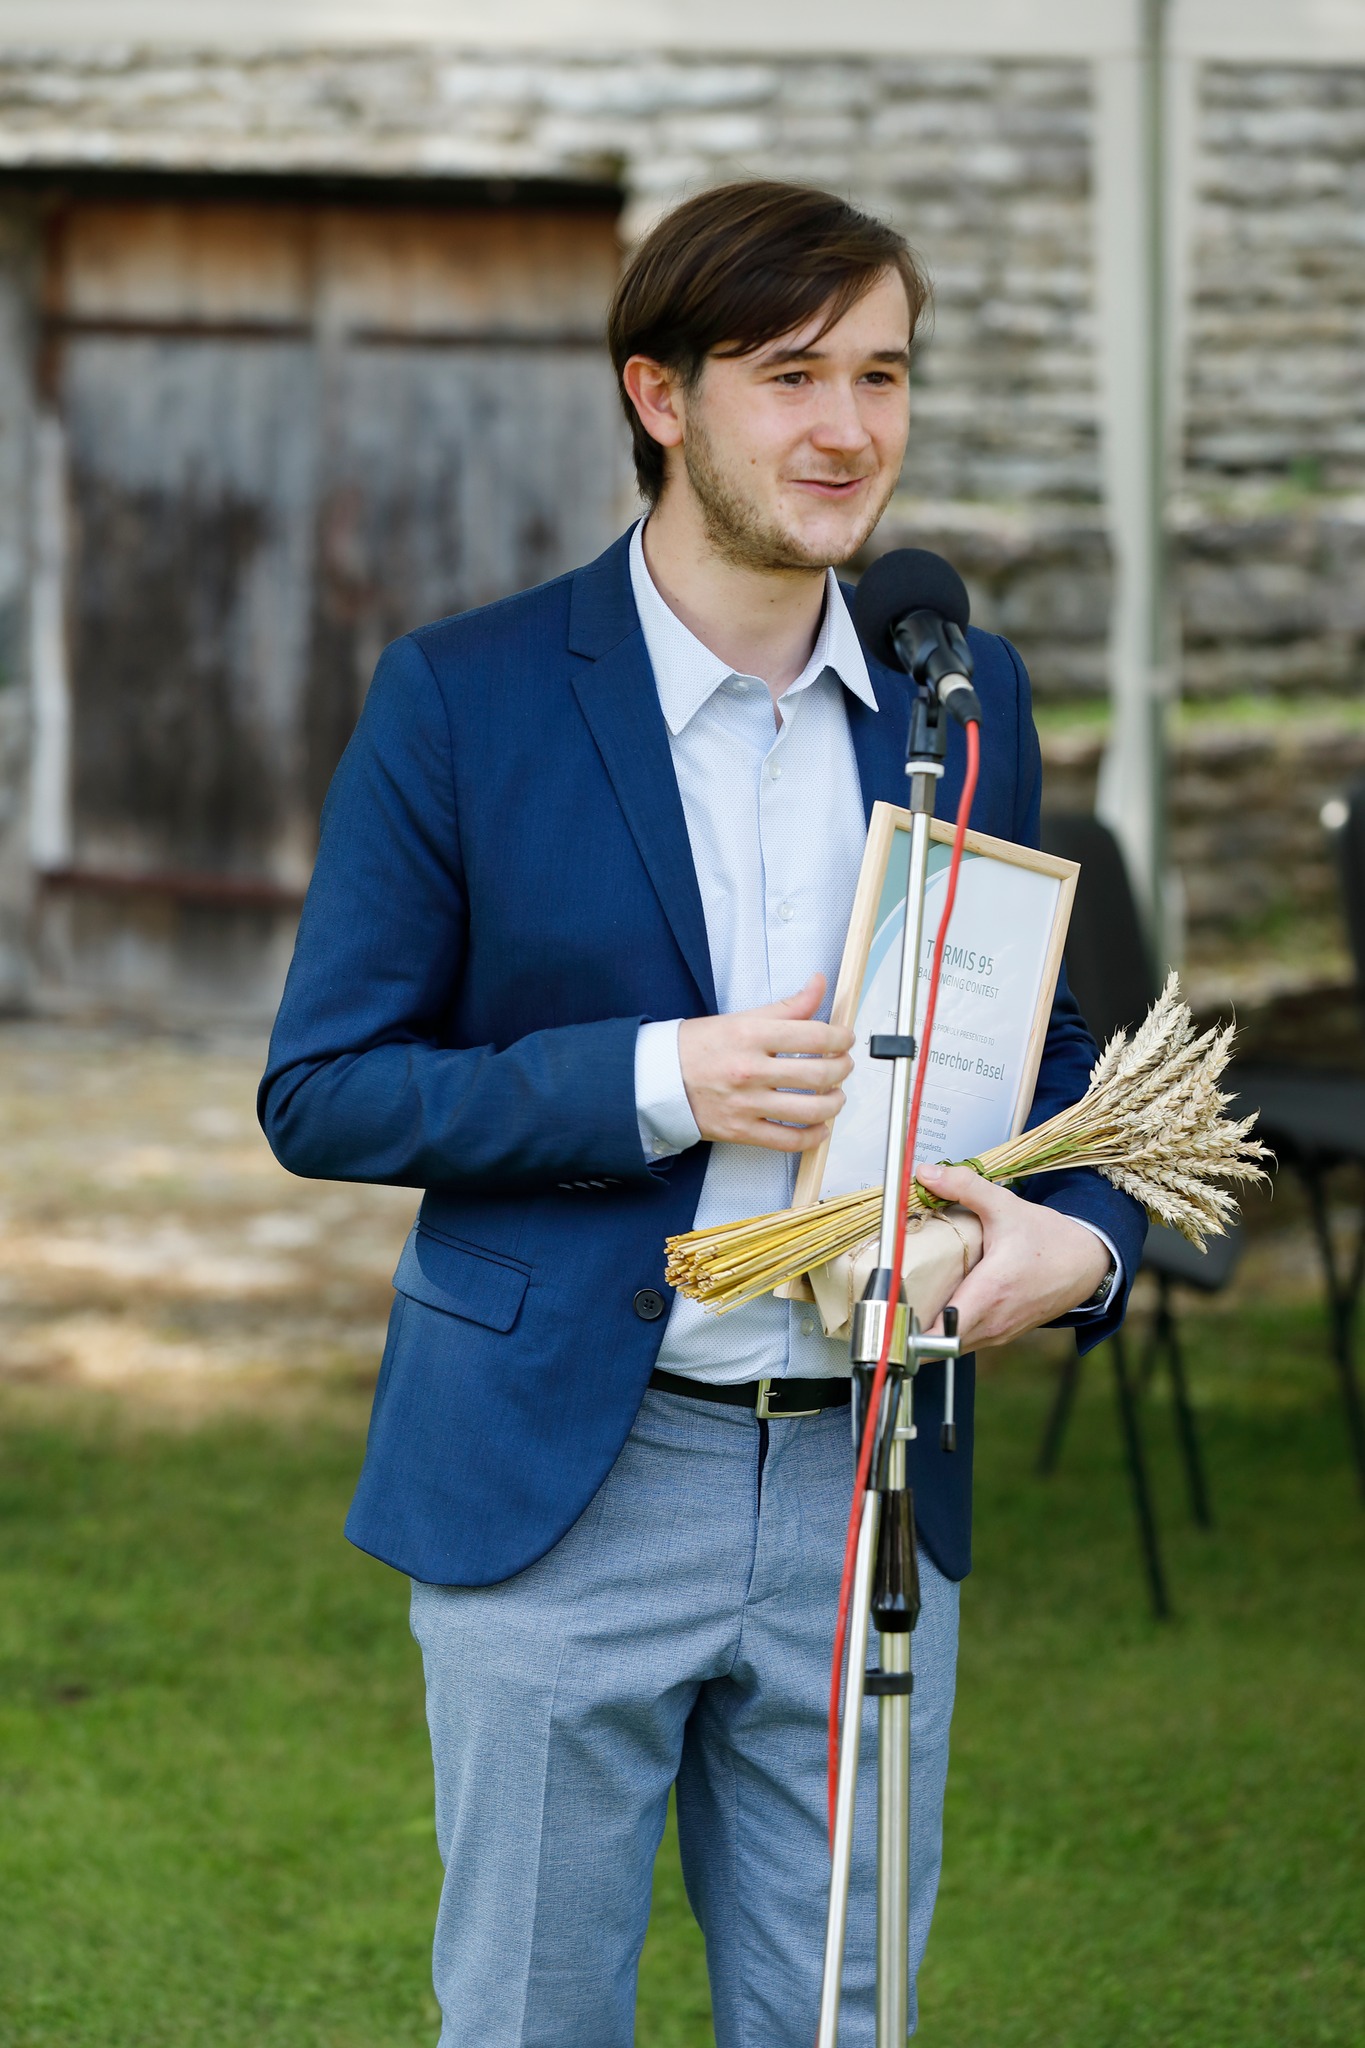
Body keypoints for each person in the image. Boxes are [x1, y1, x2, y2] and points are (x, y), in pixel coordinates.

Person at [259, 180, 1145, 2047]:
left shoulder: (960, 696)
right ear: (658, 395)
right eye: (791, 374)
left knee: (841, 2021)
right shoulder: (461, 697)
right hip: (567, 1480)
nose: (849, 429)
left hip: (872, 1479)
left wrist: (1082, 1241)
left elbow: (1047, 1047)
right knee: (527, 2021)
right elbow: (323, 1087)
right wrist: (662, 1077)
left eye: (885, 374)